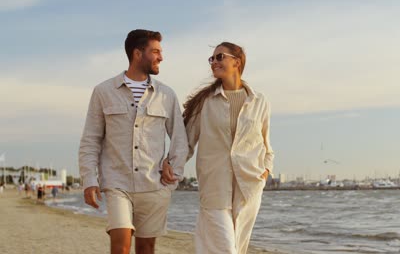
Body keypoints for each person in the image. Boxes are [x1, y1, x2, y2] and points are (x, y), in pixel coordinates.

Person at [79, 29, 188, 254]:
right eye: (155, 51)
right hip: (118, 182)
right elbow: (91, 140)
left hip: (154, 185)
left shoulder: (166, 94)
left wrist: (173, 173)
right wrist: (89, 179)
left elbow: (179, 137)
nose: (161, 57)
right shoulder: (103, 91)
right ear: (138, 53)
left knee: (146, 249)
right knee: (120, 246)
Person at [178, 42, 274, 253]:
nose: (214, 63)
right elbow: (187, 142)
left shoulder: (259, 101)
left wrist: (265, 172)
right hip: (214, 185)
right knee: (225, 248)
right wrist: (170, 168)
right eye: (211, 59)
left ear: (236, 62)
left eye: (219, 57)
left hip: (249, 185)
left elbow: (266, 145)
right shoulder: (204, 102)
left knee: (237, 248)